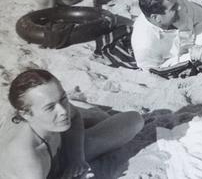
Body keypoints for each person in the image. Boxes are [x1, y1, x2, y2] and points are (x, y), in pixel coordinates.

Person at [0, 69, 144, 179]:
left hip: (60, 151)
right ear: (26, 114)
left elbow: (74, 116)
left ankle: (81, 107)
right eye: (50, 107)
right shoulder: (28, 161)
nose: (63, 111)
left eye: (63, 98)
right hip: (43, 168)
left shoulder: (53, 113)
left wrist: (76, 158)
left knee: (133, 120)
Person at [131, 0, 202, 69]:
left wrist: (200, 46)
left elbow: (201, 19)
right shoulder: (144, 45)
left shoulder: (177, 3)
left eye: (176, 2)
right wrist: (193, 57)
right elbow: (157, 70)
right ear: (156, 18)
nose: (179, 7)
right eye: (173, 8)